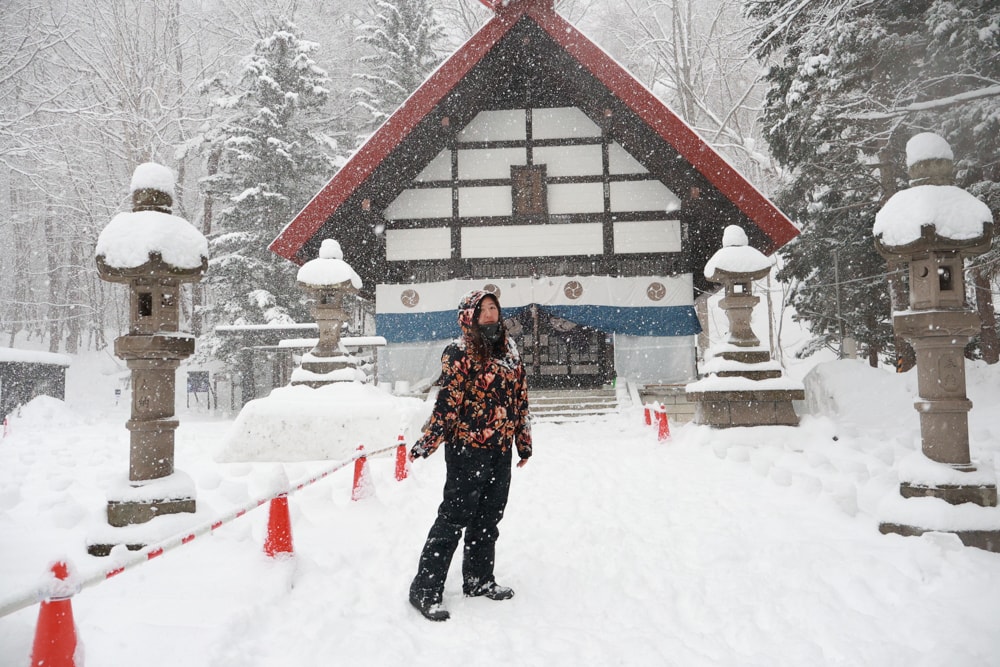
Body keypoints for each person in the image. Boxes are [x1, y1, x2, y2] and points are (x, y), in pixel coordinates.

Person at [407, 289, 532, 622]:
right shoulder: (458, 352)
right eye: (483, 309)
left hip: (500, 449)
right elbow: (448, 402)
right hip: (468, 448)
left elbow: (520, 400)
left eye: (494, 308)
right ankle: (424, 589)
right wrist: (429, 440)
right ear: (469, 316)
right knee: (454, 517)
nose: (491, 314)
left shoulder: (510, 352)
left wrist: (524, 441)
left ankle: (478, 579)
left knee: (489, 517)